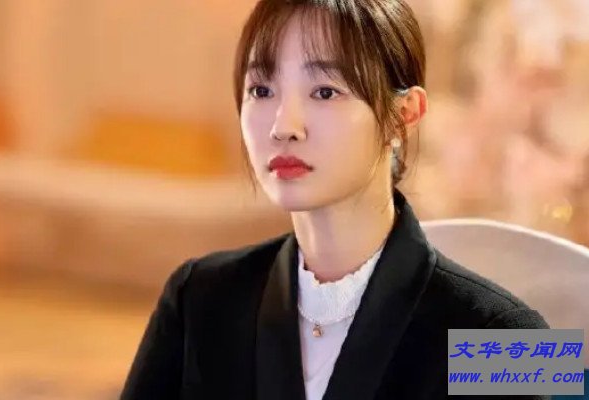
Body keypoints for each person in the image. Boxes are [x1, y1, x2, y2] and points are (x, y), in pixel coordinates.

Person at [120, 1, 549, 399]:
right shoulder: (199, 298)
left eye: (325, 92)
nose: (283, 127)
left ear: (404, 115)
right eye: (262, 90)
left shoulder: (510, 336)